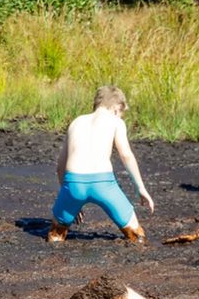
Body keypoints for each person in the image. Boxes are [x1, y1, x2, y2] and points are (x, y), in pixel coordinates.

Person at [50, 85, 154, 243]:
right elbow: (126, 155)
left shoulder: (76, 122)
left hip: (74, 183)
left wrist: (69, 195)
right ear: (116, 108)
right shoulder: (116, 122)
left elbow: (60, 167)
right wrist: (141, 188)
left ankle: (56, 243)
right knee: (137, 236)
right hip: (103, 184)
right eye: (122, 113)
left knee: (55, 235)